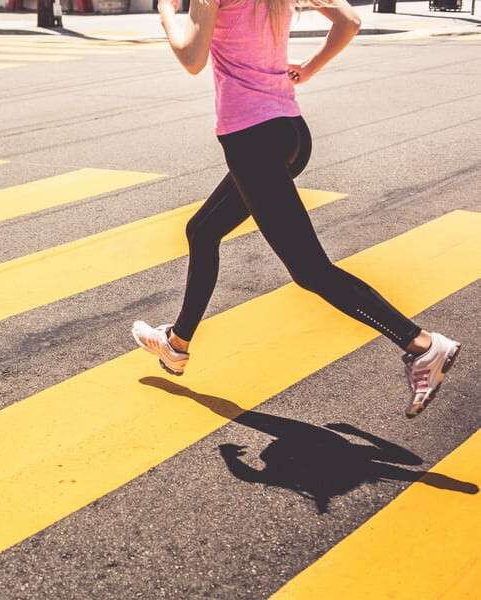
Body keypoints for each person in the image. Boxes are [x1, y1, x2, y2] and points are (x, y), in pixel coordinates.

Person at [131, 0, 461, 418]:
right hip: (290, 133)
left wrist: (165, 12)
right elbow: (350, 20)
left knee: (310, 271)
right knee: (203, 230)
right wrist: (310, 68)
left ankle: (422, 346)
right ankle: (176, 344)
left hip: (252, 141)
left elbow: (192, 59)